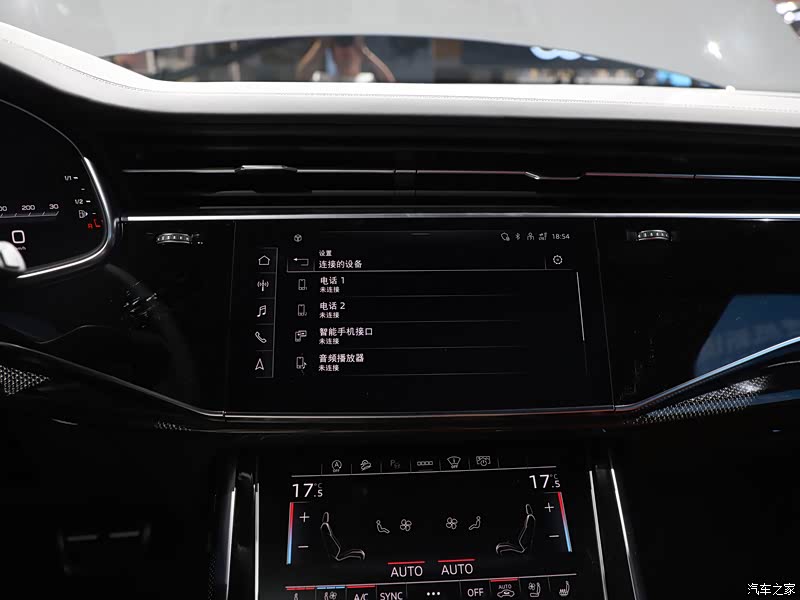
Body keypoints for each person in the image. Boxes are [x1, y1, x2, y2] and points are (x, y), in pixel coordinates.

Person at [295, 36, 396, 82]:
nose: (347, 52)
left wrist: (364, 52)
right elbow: (302, 77)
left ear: (359, 54)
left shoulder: (369, 79)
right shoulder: (322, 80)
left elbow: (389, 83)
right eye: (342, 48)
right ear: (333, 55)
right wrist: (322, 45)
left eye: (352, 49)